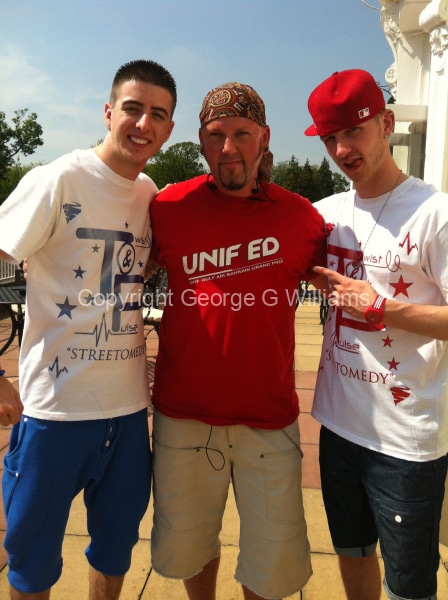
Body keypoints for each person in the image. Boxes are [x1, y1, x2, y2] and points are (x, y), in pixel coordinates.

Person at [0, 59, 176, 600]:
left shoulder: (149, 193)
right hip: (55, 414)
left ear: (169, 128)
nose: (143, 123)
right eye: (133, 108)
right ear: (108, 112)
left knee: (115, 550)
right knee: (31, 563)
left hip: (128, 415)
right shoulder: (56, 180)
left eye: (158, 114)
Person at [149, 81, 328, 600]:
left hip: (267, 419)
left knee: (272, 563)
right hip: (184, 415)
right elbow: (119, 270)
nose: (229, 148)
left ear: (264, 138)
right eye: (216, 135)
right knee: (189, 547)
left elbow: (348, 282)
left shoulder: (301, 217)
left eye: (242, 134)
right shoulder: (168, 207)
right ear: (201, 142)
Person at [304, 69, 448, 600]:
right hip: (338, 424)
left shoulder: (435, 213)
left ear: (386, 123)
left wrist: (382, 307)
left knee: (409, 584)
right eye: (330, 138)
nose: (342, 149)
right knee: (352, 551)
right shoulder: (327, 214)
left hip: (405, 438)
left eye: (354, 130)